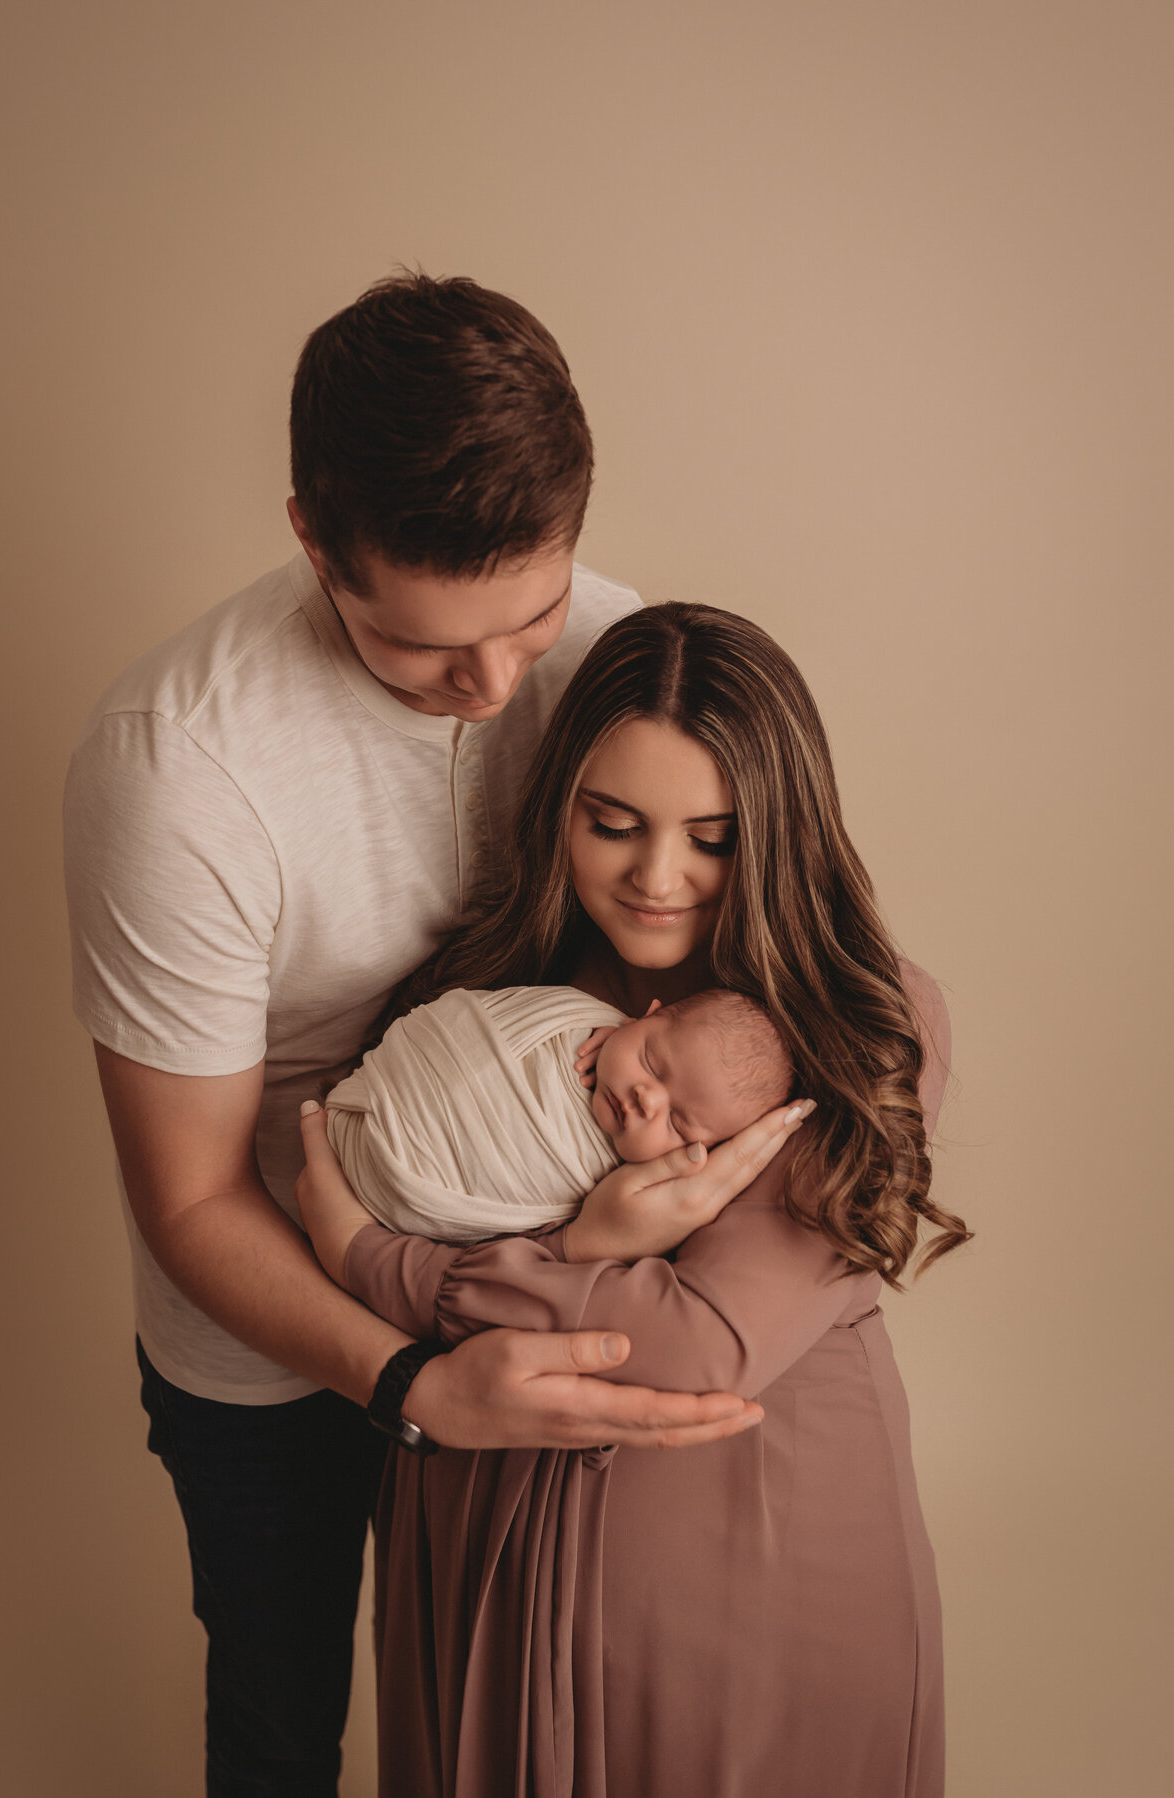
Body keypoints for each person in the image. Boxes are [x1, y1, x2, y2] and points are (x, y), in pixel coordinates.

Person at [63, 277, 791, 1797]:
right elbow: (191, 1192)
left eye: (533, 617)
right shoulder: (175, 769)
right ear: (314, 539)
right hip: (275, 1338)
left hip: (538, 1275)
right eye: (425, 653)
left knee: (509, 1717)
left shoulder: (613, 649)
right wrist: (406, 1381)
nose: (499, 686)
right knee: (281, 1723)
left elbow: (736, 968)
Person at [295, 600, 971, 1798]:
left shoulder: (857, 1025)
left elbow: (695, 1343)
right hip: (478, 1537)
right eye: (613, 824)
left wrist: (397, 1262)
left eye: (712, 839)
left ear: (777, 833)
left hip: (747, 1579)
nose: (658, 880)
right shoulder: (491, 994)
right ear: (560, 802)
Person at [316, 984, 800, 1245]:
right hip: (372, 1100)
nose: (647, 1099)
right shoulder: (573, 1020)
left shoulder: (633, 1193)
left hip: (386, 1202)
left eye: (677, 1124)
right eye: (651, 1061)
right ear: (644, 1014)